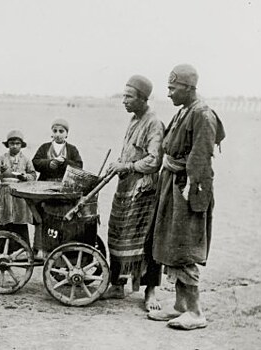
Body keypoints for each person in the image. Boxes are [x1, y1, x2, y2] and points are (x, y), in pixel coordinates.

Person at [147, 64, 225, 330]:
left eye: (172, 88)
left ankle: (195, 311)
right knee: (172, 243)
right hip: (173, 185)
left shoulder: (202, 115)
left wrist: (190, 190)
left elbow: (201, 158)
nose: (168, 93)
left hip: (187, 190)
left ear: (188, 87)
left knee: (185, 246)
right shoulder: (184, 112)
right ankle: (180, 305)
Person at [101, 75, 165, 312]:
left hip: (143, 192)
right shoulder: (133, 119)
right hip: (125, 188)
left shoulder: (154, 123)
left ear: (142, 98)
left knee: (144, 242)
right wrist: (119, 162)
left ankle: (150, 292)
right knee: (117, 233)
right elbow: (130, 151)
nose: (124, 101)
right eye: (123, 96)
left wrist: (126, 167)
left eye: (129, 96)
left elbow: (153, 160)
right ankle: (117, 285)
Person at [31, 118, 83, 259]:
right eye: (55, 131)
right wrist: (49, 164)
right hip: (44, 189)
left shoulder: (72, 149)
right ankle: (40, 249)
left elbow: (79, 166)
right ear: (51, 133)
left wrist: (65, 163)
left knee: (61, 218)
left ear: (67, 134)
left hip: (63, 190)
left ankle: (61, 250)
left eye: (61, 131)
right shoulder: (44, 147)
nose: (58, 134)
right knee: (42, 217)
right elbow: (35, 162)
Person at [0, 130, 36, 252]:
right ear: (7, 144)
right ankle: (1, 250)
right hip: (4, 194)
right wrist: (1, 171)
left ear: (21, 145)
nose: (14, 146)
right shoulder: (2, 159)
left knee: (20, 222)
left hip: (20, 195)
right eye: (12, 143)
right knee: (3, 222)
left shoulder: (26, 160)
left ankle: (22, 251)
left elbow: (33, 175)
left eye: (17, 143)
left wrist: (25, 177)